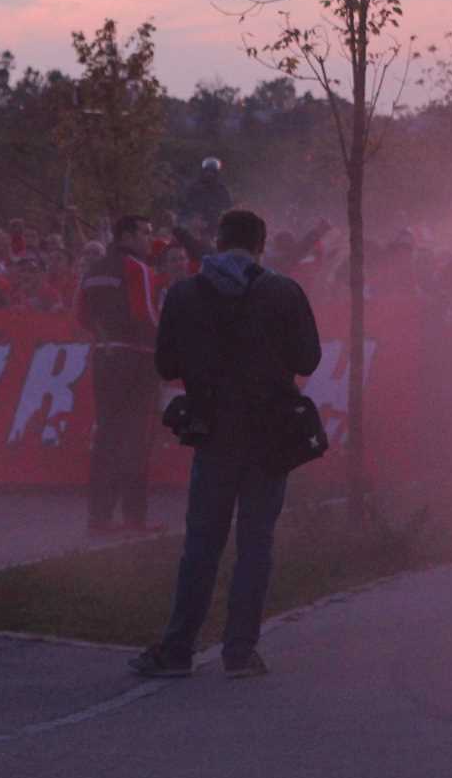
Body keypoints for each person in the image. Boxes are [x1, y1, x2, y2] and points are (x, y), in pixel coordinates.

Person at [131, 208, 321, 678]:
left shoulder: (184, 294)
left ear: (217, 242)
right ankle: (239, 652)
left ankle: (177, 649)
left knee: (202, 543)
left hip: (213, 431)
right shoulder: (284, 291)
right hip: (270, 434)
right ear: (261, 245)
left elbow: (166, 365)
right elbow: (308, 359)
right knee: (256, 544)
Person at [76, 215, 162, 535]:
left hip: (104, 356)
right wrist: (168, 344)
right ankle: (134, 518)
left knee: (106, 437)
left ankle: (98, 517)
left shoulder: (92, 270)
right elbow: (146, 315)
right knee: (136, 438)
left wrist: (105, 335)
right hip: (137, 358)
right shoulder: (136, 267)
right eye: (145, 232)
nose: (150, 238)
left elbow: (80, 316)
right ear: (127, 235)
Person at [178, 156, 234, 227]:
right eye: (207, 171)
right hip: (195, 221)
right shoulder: (193, 187)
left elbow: (228, 206)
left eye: (212, 172)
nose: (209, 174)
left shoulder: (221, 189)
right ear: (203, 172)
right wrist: (192, 217)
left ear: (216, 173)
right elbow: (185, 205)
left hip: (214, 222)